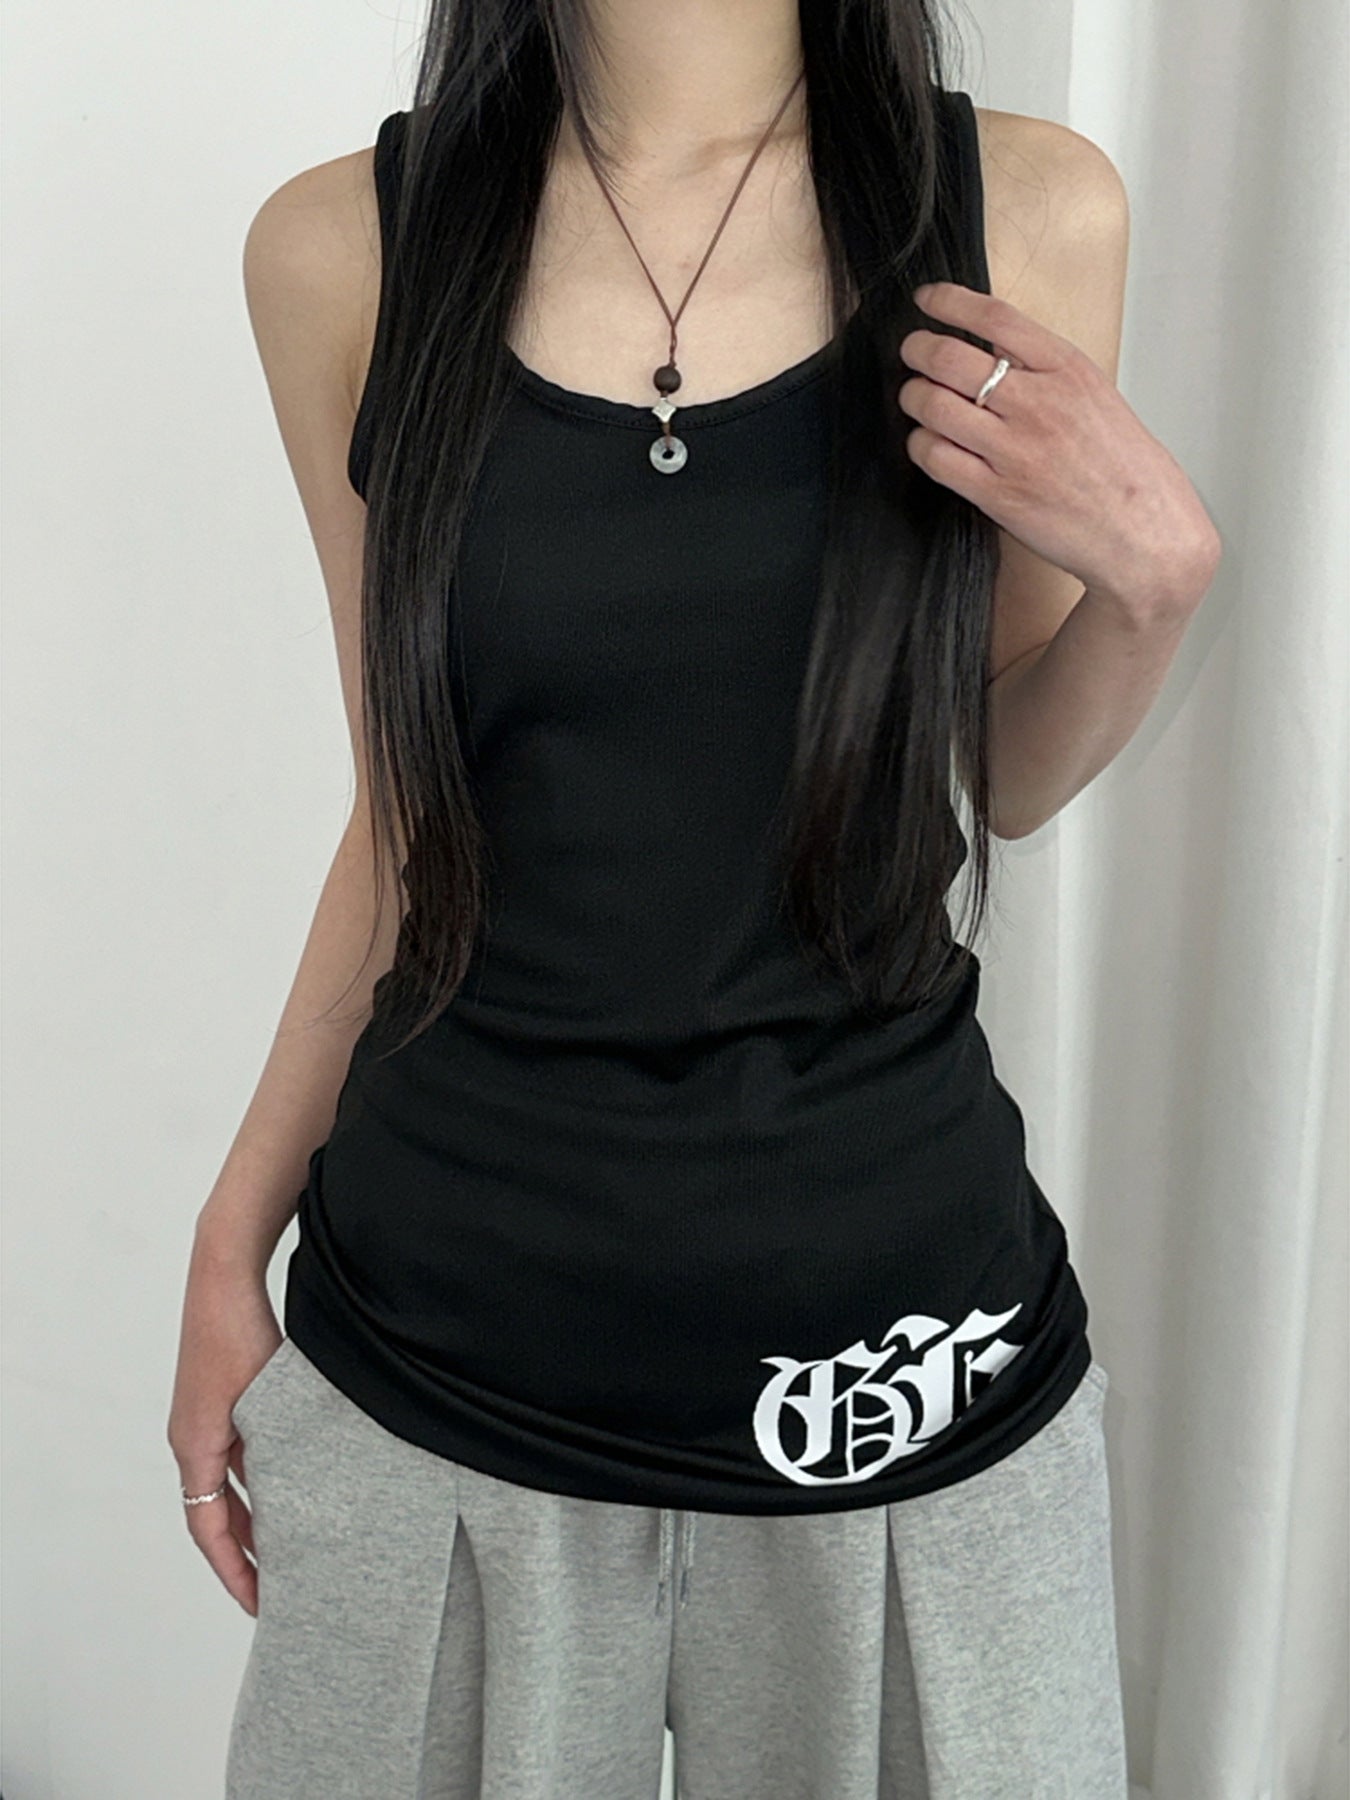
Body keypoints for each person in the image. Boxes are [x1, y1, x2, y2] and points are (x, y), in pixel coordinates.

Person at [167, 2, 1221, 1794]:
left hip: (893, 1382)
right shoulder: (338, 248)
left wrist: (1155, 588)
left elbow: (1001, 773)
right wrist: (222, 1243)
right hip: (434, 1367)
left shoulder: (1026, 209)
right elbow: (406, 819)